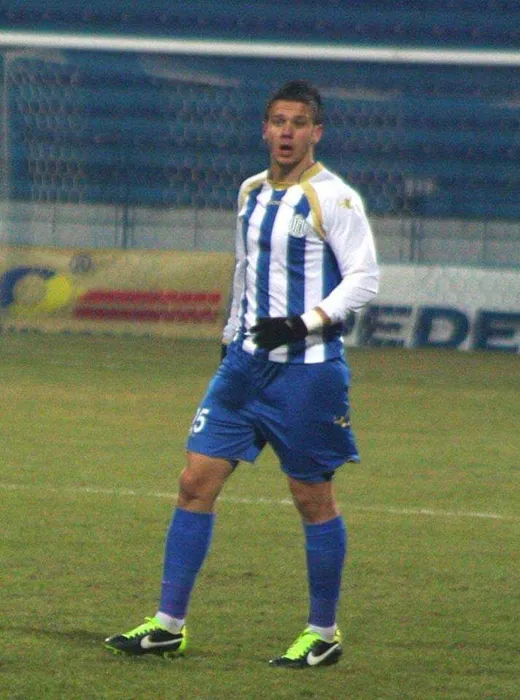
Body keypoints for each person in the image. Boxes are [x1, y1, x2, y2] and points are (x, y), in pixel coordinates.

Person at [104, 79, 379, 668]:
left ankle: (323, 633)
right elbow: (245, 269)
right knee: (193, 483)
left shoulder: (334, 198)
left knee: (312, 499)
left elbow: (364, 278)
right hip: (242, 370)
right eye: (278, 121)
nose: (287, 132)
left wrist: (303, 323)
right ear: (264, 129)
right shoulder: (250, 191)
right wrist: (231, 336)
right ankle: (168, 625)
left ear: (316, 132)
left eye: (298, 123)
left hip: (307, 375)